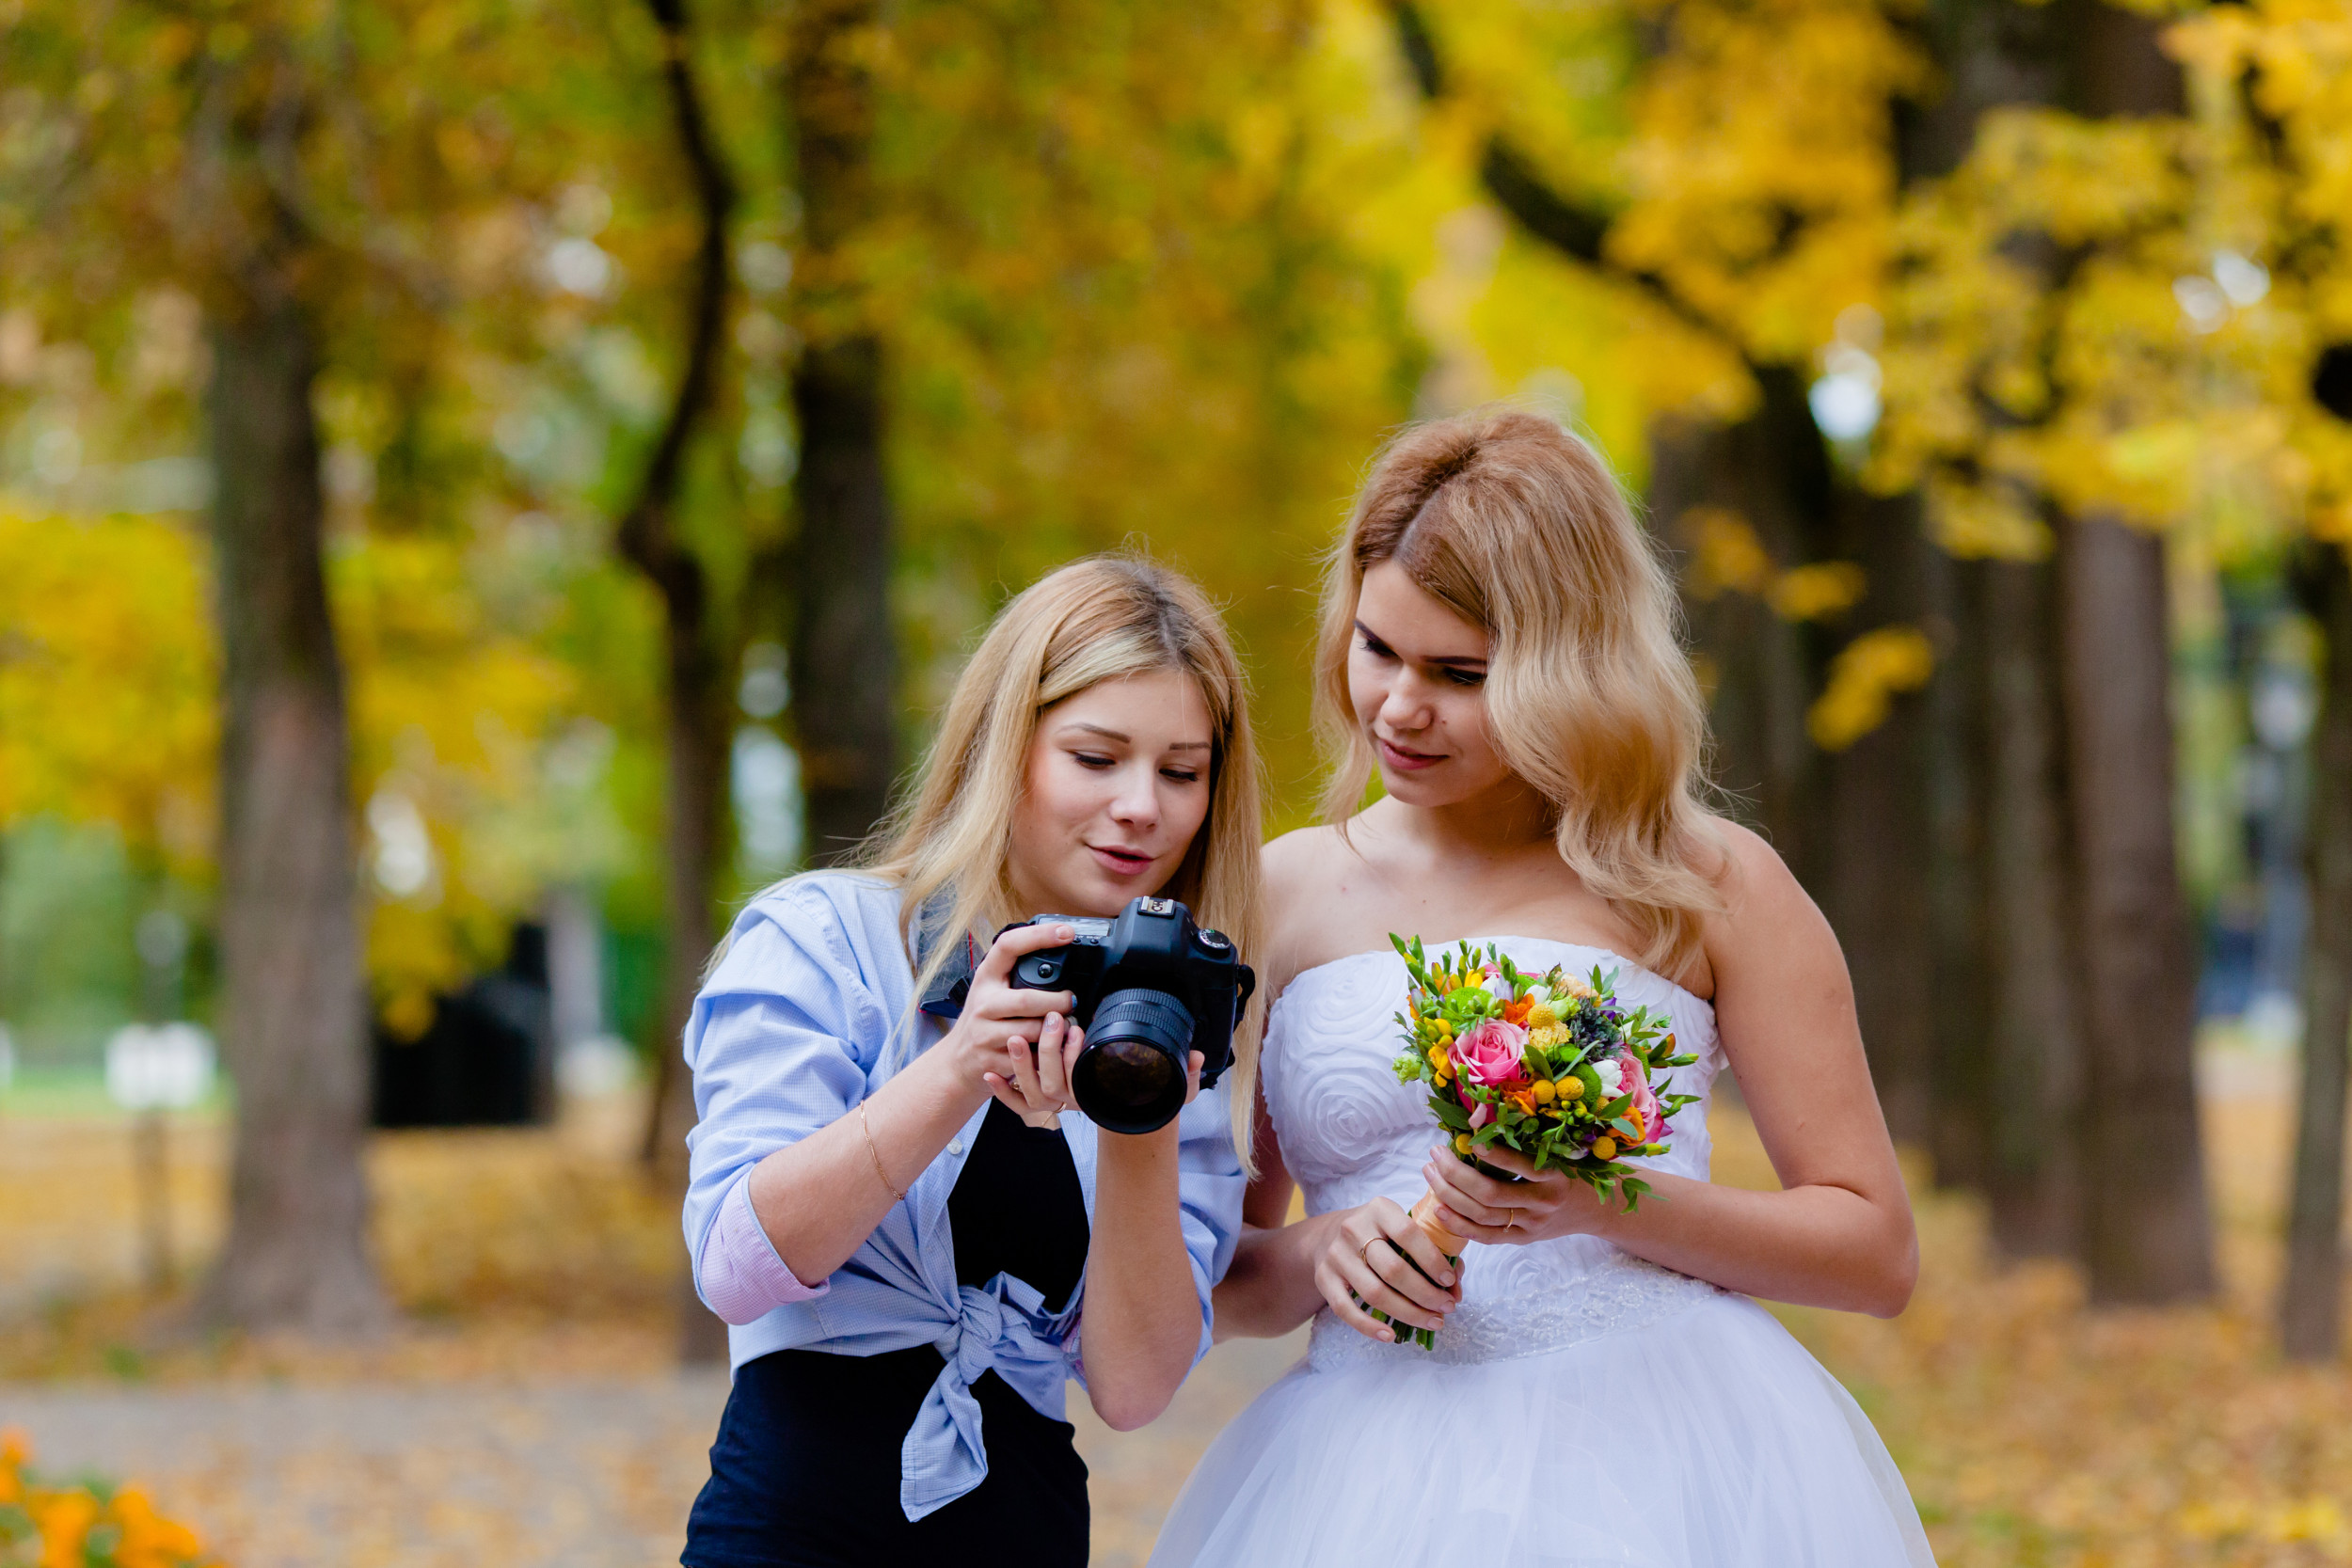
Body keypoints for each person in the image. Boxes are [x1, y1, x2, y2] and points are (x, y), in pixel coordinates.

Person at [1152, 408, 1935, 1567]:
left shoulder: (1706, 884)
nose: (1398, 707)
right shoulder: (1278, 892)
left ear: (1570, 664)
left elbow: (1874, 1253)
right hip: (1360, 1480)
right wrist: (1326, 1258)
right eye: (1376, 648)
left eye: (1459, 673)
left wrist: (1598, 1199)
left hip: (1653, 1461)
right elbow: (1218, 1266)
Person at [679, 556, 1263, 1568]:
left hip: (1023, 1522)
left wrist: (1142, 1107)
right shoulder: (827, 942)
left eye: (1180, 770)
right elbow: (735, 1265)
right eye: (1095, 756)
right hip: (794, 1515)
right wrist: (957, 1069)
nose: (1142, 807)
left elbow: (1131, 1389)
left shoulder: (1178, 1029)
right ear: (1007, 746)